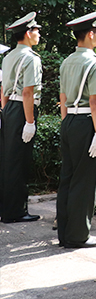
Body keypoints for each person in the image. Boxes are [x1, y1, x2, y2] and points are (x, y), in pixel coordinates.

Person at [56, 11, 96, 248]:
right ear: (89, 34)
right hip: (87, 122)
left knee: (67, 179)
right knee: (84, 181)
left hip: (69, 120)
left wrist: (66, 122)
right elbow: (95, 101)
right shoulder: (95, 63)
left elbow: (63, 97)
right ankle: (78, 235)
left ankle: (65, 234)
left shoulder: (67, 61)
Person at [1, 12, 43, 223]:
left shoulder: (9, 56)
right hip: (22, 110)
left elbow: (3, 89)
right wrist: (29, 121)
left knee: (9, 160)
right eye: (36, 30)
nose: (38, 34)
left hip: (10, 107)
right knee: (19, 162)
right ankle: (15, 212)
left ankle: (7, 209)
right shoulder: (31, 58)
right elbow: (28, 92)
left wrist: (6, 110)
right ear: (27, 33)